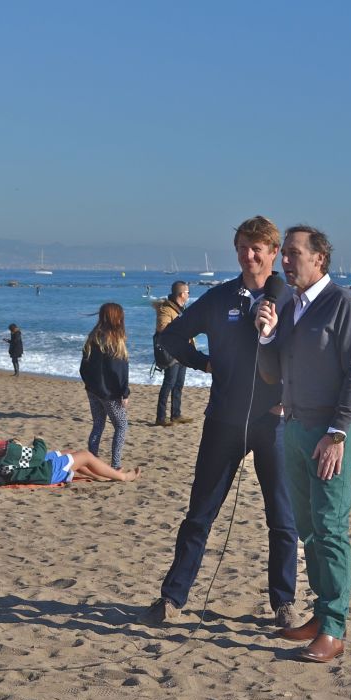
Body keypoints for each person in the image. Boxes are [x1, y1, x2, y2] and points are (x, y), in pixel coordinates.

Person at [139, 215, 299, 630]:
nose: (249, 256)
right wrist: (205, 363)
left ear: (273, 253)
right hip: (224, 420)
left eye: (257, 249)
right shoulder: (219, 298)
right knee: (200, 514)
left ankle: (284, 603)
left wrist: (292, 399)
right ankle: (172, 598)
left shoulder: (291, 300)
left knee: (282, 519)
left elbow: (311, 356)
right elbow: (170, 337)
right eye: (242, 248)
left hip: (274, 423)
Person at [256, 225, 351, 663]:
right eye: (283, 254)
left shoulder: (344, 304)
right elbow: (272, 373)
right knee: (307, 527)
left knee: (330, 527)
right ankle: (321, 615)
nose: (284, 261)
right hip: (294, 428)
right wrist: (267, 334)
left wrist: (338, 433)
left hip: (331, 432)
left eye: (293, 253)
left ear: (319, 258)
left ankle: (335, 628)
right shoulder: (288, 305)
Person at [0, 413, 139, 484]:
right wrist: (39, 441)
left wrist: (13, 445)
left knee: (68, 452)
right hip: (42, 473)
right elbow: (38, 456)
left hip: (22, 471)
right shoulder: (8, 449)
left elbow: (9, 460)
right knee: (85, 455)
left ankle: (102, 475)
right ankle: (123, 477)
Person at [79, 303, 130, 469]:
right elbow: (120, 371)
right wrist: (125, 393)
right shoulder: (115, 340)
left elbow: (83, 368)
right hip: (110, 393)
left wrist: (90, 384)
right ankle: (115, 465)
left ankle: (91, 460)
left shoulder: (93, 337)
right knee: (121, 426)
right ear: (116, 318)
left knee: (98, 424)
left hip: (93, 390)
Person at [154, 281, 198, 427]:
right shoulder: (167, 309)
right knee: (169, 384)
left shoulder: (180, 308)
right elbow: (162, 327)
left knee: (179, 384)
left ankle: (176, 414)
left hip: (182, 352)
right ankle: (161, 417)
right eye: (188, 292)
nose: (189, 295)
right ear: (181, 294)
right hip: (172, 352)